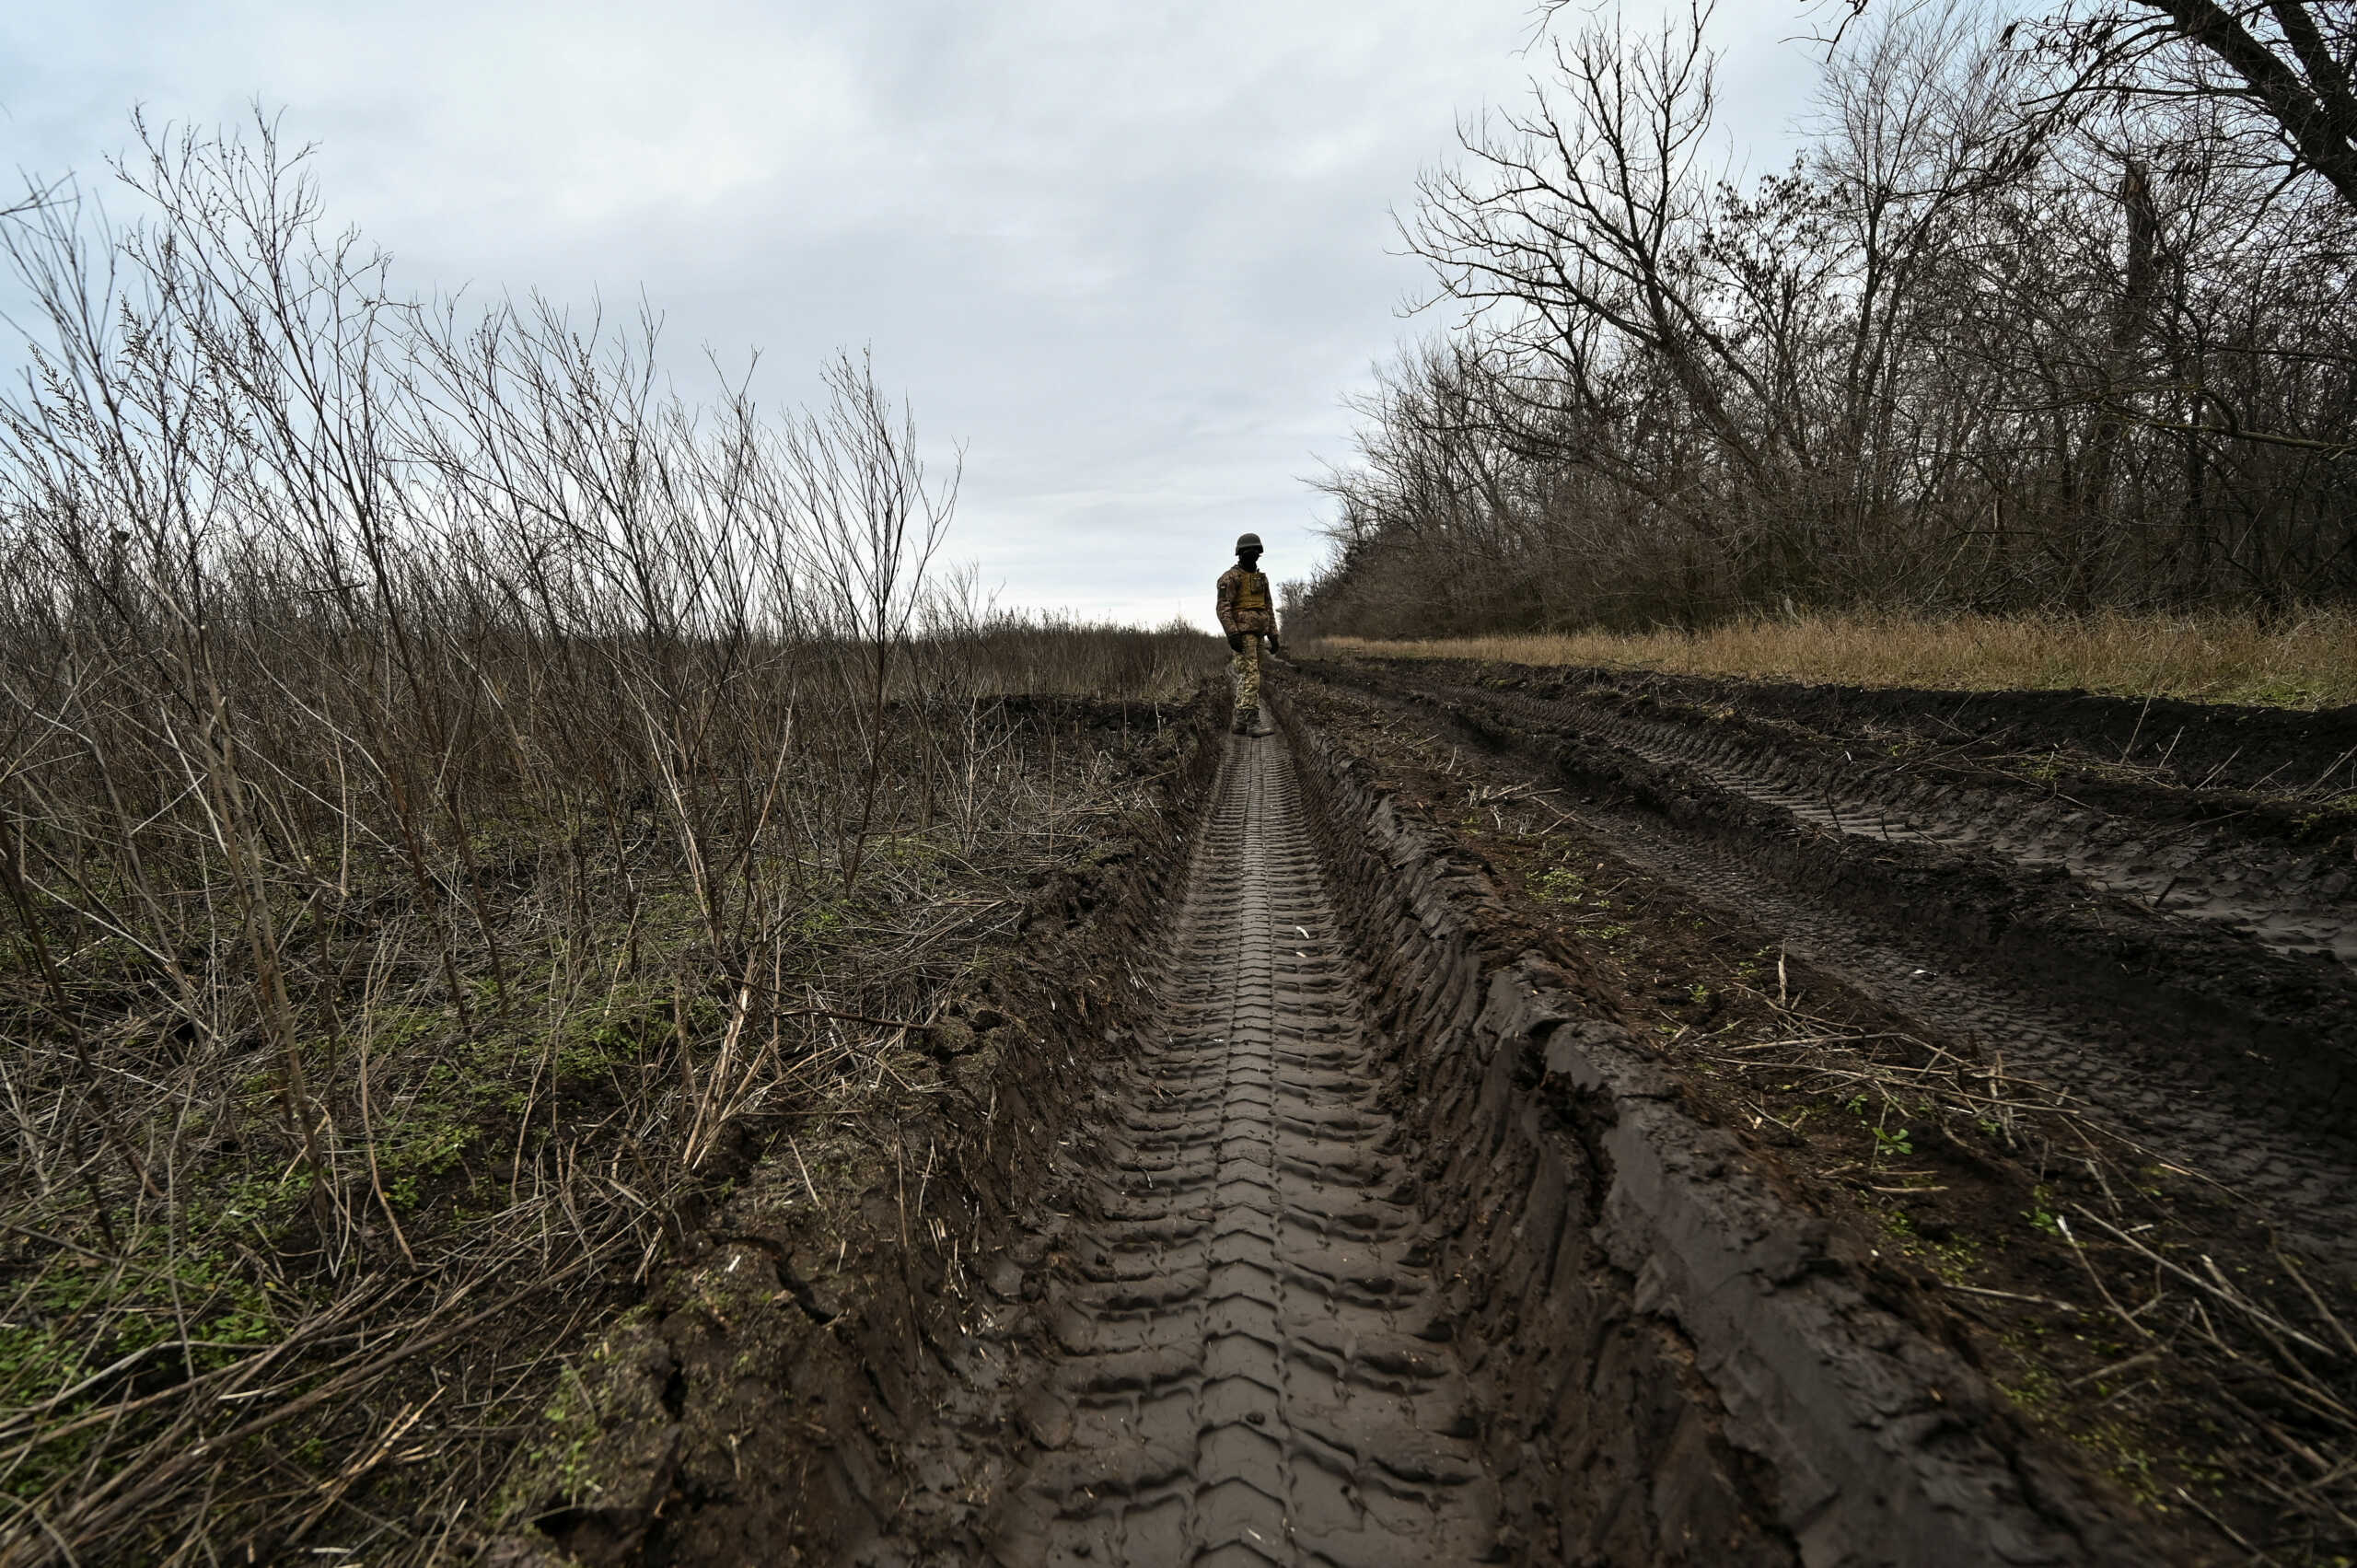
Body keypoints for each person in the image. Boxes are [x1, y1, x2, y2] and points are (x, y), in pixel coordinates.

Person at [1215, 532, 1283, 735]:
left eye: (1255, 552)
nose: (1252, 555)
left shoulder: (1261, 579)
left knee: (1250, 676)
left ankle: (1239, 721)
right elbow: (1223, 608)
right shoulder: (1229, 578)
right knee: (1251, 676)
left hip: (1259, 634)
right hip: (1243, 635)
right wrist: (1232, 634)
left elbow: (1268, 607)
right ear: (1240, 554)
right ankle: (1252, 722)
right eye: (1248, 552)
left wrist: (1273, 635)